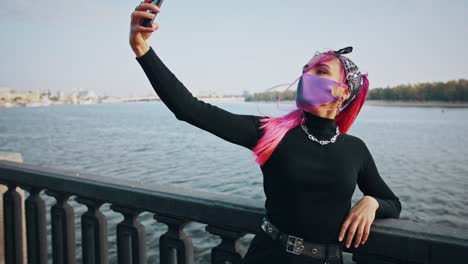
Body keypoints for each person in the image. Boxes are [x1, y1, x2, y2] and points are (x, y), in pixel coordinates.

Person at [129, 1, 402, 264]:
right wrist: (141, 48)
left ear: (343, 92)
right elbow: (189, 109)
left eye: (320, 71)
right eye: (305, 70)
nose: (306, 76)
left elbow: (392, 203)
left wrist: (372, 202)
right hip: (268, 255)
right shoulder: (271, 133)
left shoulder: (355, 149)